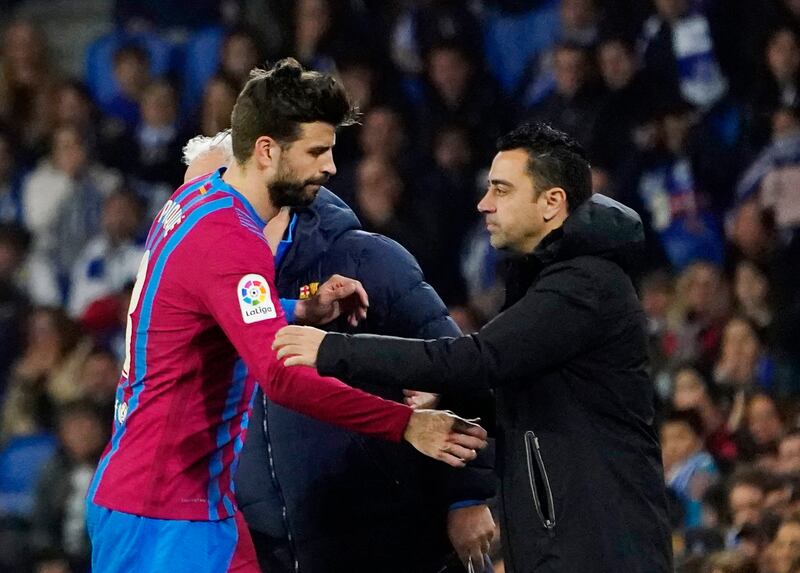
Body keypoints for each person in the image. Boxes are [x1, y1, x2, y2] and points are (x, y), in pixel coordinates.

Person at [84, 58, 487, 573]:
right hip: (162, 513)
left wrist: (303, 306)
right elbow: (280, 378)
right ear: (268, 150)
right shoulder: (234, 241)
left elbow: (204, 308)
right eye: (317, 151)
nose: (331, 168)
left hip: (192, 500)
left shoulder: (196, 199)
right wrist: (406, 423)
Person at [274, 121, 673, 572]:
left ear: (551, 202)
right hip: (567, 538)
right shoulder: (548, 280)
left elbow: (475, 359)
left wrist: (329, 349)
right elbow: (528, 396)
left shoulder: (586, 284)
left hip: (599, 547)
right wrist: (446, 397)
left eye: (501, 190)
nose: (484, 204)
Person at [183, 132, 497, 572]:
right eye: (184, 200)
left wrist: (467, 496)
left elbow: (458, 371)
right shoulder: (199, 295)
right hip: (264, 549)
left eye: (206, 193)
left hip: (385, 536)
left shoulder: (367, 260)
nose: (188, 217)